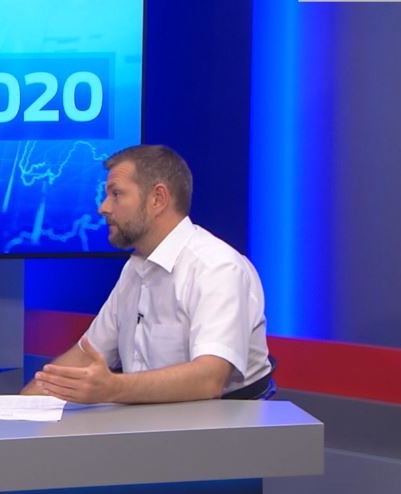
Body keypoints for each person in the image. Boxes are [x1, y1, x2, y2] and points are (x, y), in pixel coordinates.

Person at [23, 144, 273, 404]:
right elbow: (85, 356)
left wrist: (113, 388)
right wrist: (16, 410)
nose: (103, 208)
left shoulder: (217, 267)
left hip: (223, 423)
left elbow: (209, 379)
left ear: (157, 199)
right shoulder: (135, 269)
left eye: (116, 194)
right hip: (153, 419)